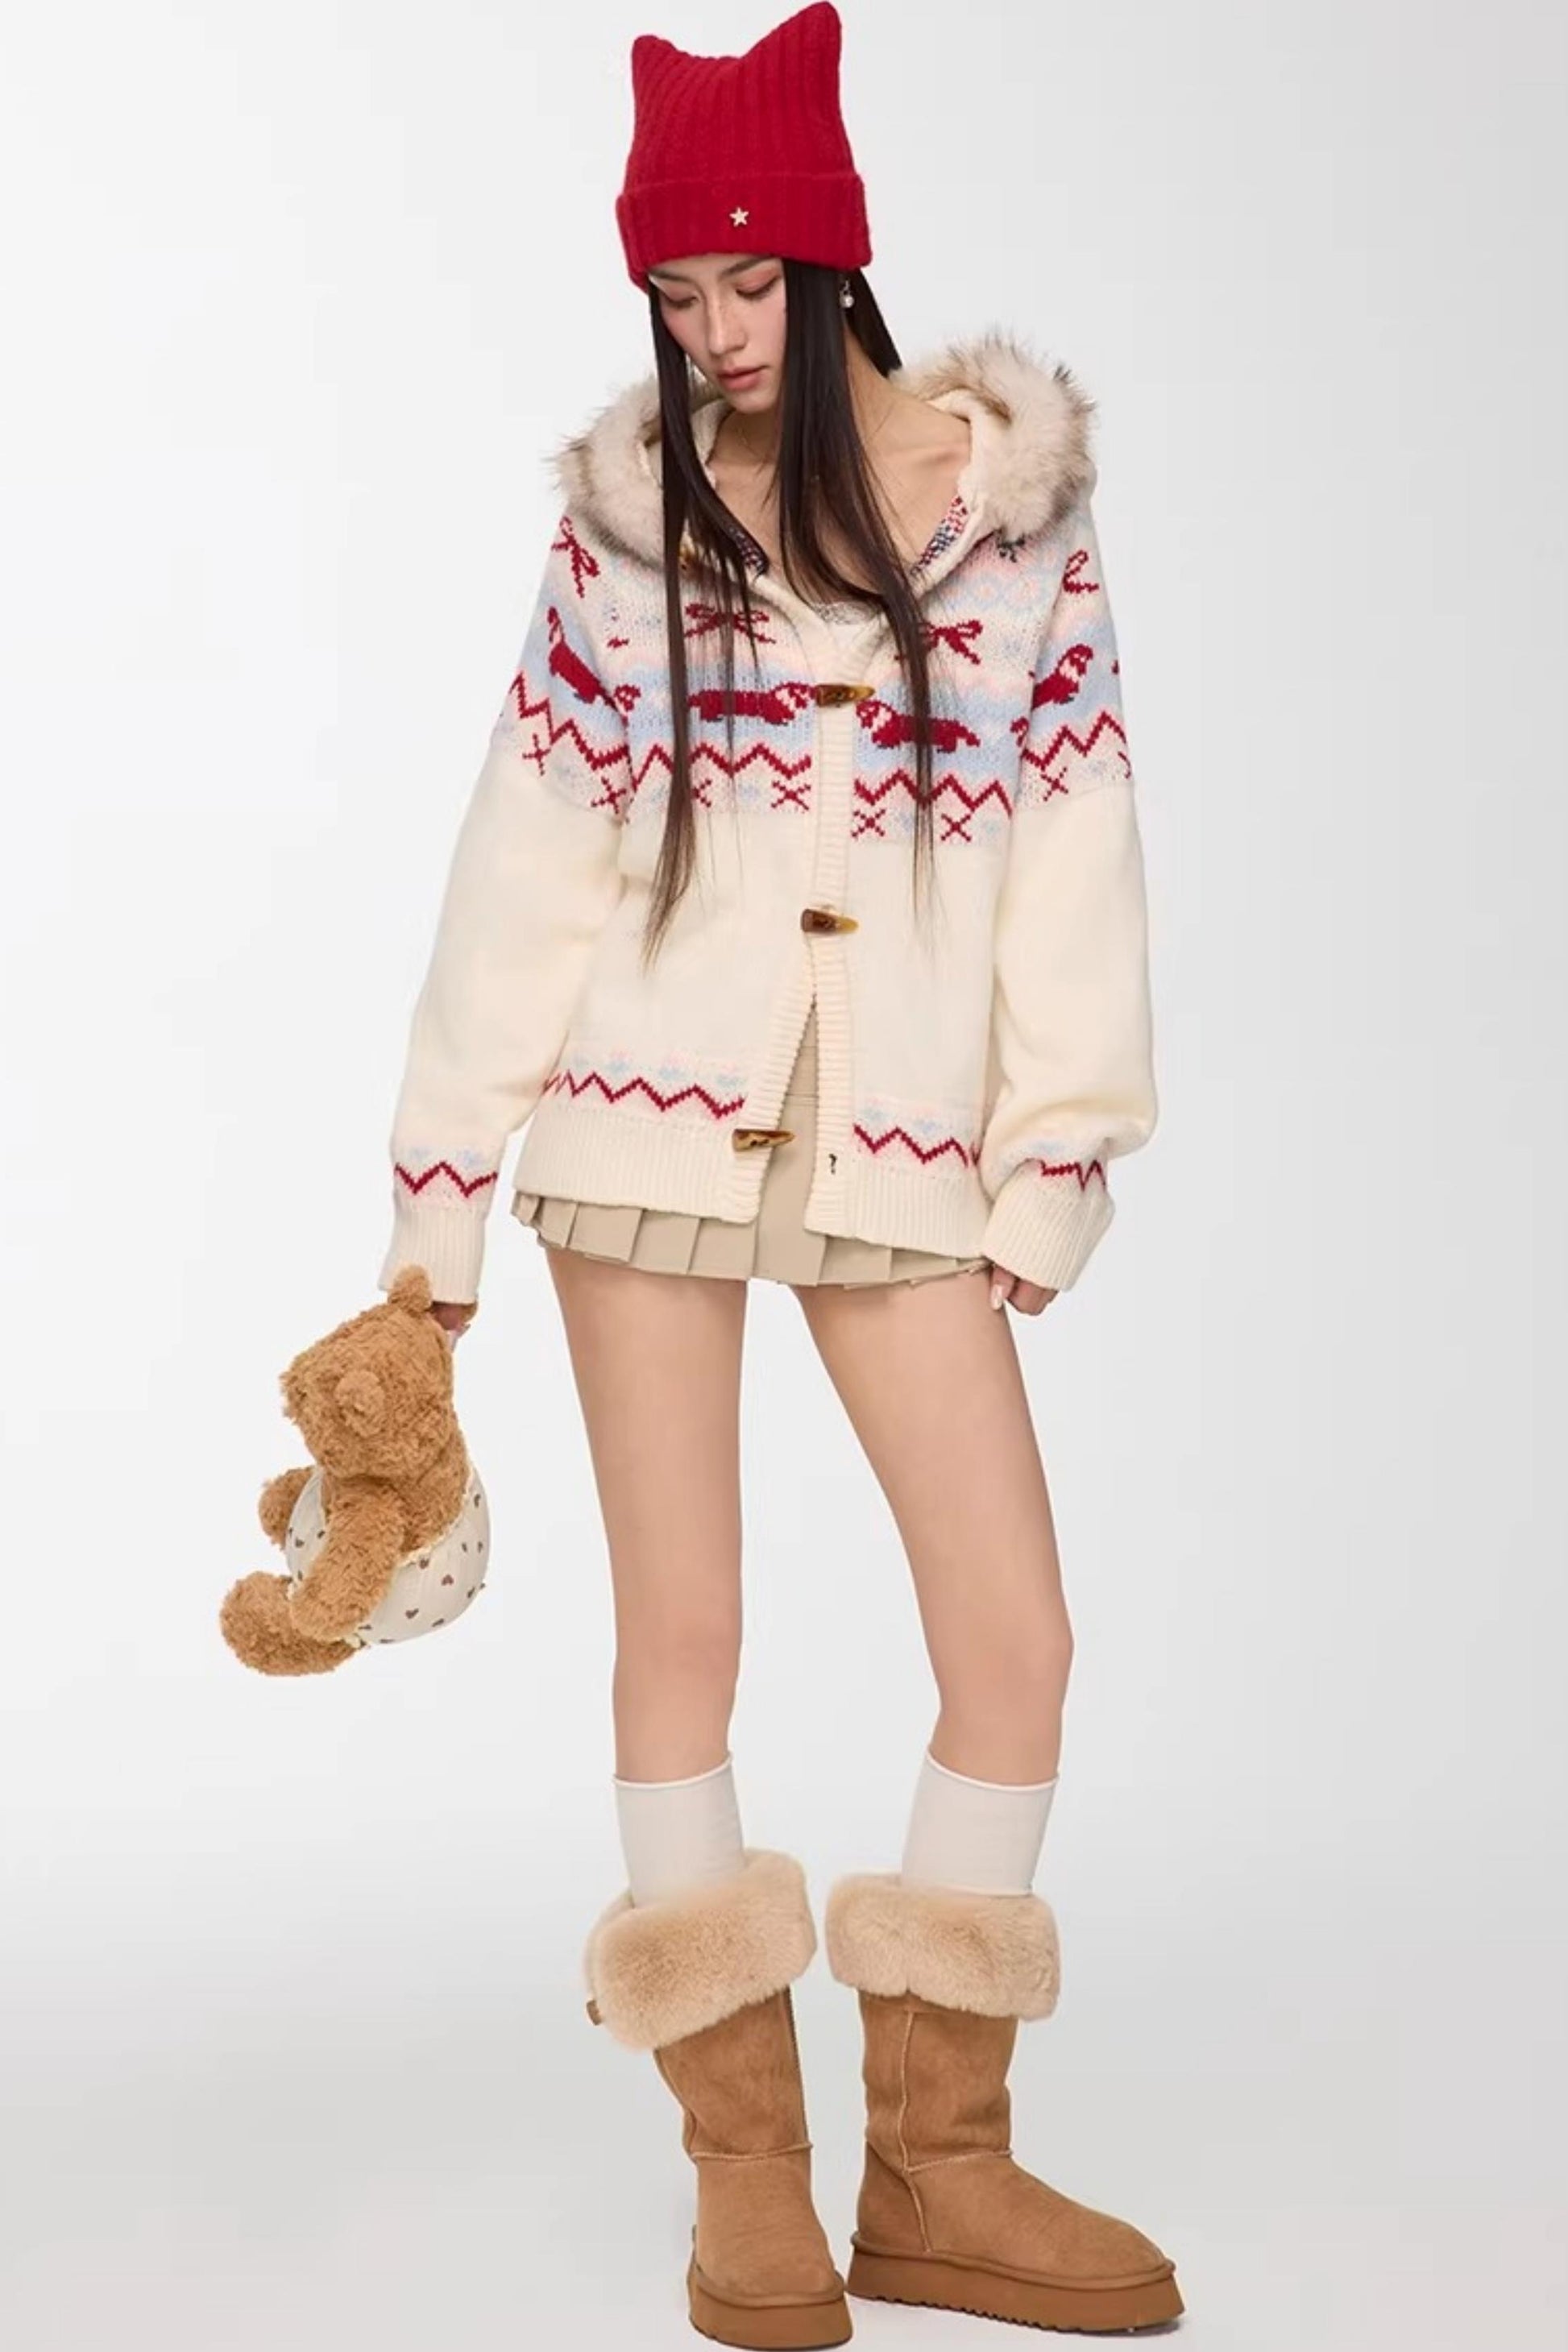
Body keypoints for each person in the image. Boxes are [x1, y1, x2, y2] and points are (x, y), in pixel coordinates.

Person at [375, 4, 1180, 2341]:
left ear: (834, 260)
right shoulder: (627, 532)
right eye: (678, 293)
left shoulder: (1008, 516)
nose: (716, 330)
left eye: (749, 279)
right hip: (641, 1116)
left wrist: (1058, 1147)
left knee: (1012, 1639)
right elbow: (529, 851)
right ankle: (749, 2175)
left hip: (903, 1139)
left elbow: (1076, 832)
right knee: (684, 1636)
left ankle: (942, 2169)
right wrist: (439, 1193)